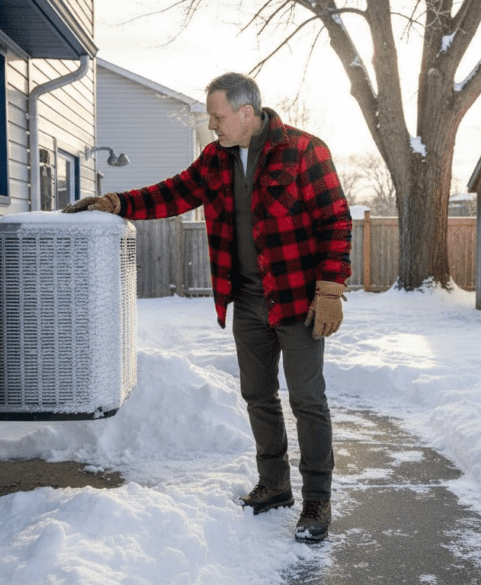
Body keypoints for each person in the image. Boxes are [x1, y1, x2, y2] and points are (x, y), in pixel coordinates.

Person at [64, 72, 352, 543]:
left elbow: (336, 218)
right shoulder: (215, 160)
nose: (212, 124)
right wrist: (117, 202)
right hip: (248, 301)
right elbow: (173, 193)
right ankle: (275, 484)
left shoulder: (304, 151)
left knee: (307, 400)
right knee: (258, 396)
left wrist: (330, 290)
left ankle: (317, 497)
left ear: (245, 112)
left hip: (299, 300)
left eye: (217, 116)